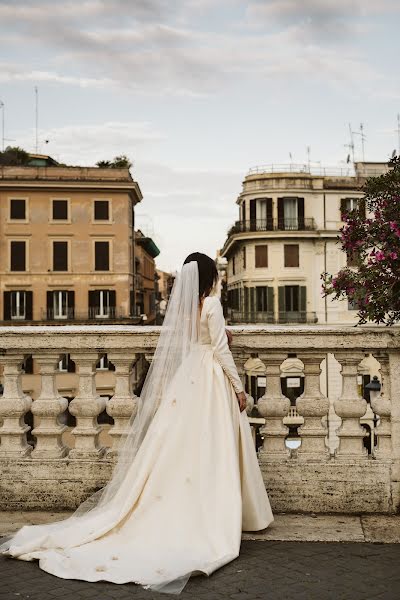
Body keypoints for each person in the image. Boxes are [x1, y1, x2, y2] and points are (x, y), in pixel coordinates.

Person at [0, 252, 273, 595]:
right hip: (210, 380)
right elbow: (219, 349)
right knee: (211, 445)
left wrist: (220, 337)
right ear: (209, 279)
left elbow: (199, 341)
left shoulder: (186, 311)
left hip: (188, 379)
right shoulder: (213, 306)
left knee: (178, 446)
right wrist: (239, 388)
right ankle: (219, 510)